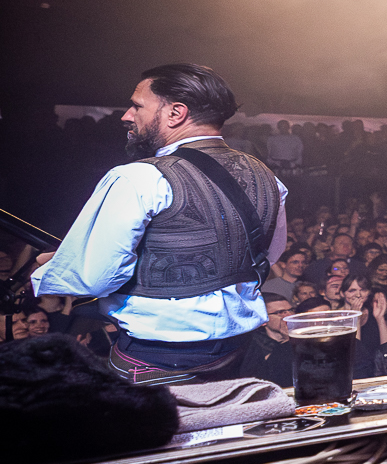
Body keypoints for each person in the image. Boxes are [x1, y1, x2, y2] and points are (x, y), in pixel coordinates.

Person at [32, 63, 287, 383]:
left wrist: (52, 265)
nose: (127, 115)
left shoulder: (140, 177)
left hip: (157, 357)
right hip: (237, 350)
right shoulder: (266, 176)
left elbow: (93, 278)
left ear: (176, 113)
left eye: (138, 106)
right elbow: (268, 254)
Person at [242, 294, 298, 388]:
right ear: (264, 320)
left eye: (291, 310)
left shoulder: (302, 340)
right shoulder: (254, 346)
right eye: (280, 312)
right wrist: (288, 341)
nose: (289, 316)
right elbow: (274, 379)